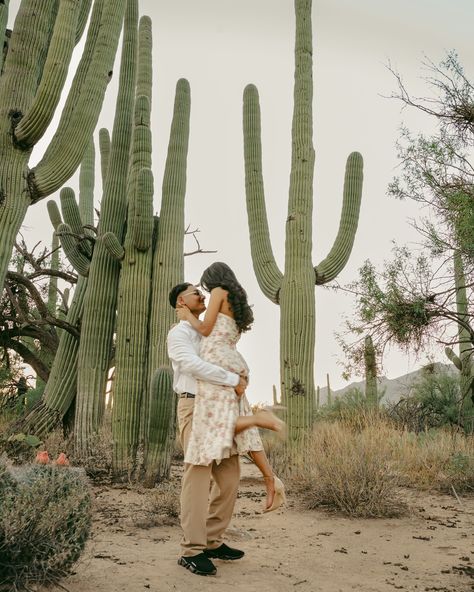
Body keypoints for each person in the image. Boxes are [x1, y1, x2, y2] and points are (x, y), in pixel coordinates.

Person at [167, 281, 284, 577]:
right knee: (198, 477)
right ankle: (192, 551)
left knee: (230, 476)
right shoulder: (179, 333)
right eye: (196, 292)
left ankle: (212, 540)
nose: (202, 295)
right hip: (195, 406)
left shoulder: (210, 328)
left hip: (220, 409)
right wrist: (231, 380)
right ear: (181, 301)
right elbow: (191, 365)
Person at [176, 262, 285, 511]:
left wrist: (188, 316)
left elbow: (204, 329)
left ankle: (260, 420)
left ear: (213, 279)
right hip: (230, 361)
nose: (205, 291)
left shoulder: (218, 292)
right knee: (240, 426)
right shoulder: (235, 301)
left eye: (205, 285)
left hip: (220, 364)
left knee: (220, 423)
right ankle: (271, 479)